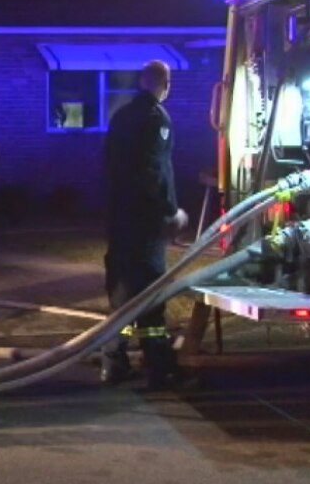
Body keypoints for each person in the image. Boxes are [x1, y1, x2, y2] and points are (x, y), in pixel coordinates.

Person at [101, 60, 188, 390]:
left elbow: (109, 165)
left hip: (119, 219)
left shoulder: (121, 116)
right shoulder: (157, 118)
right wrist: (171, 211)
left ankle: (113, 363)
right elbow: (156, 171)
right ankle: (158, 369)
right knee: (151, 294)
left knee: (121, 296)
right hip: (146, 223)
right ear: (165, 85)